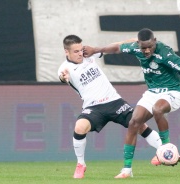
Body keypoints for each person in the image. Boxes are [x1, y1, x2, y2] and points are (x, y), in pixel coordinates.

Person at [83, 28, 180, 178]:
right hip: (152, 92)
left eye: (150, 46)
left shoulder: (165, 53)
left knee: (158, 109)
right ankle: (126, 170)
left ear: (155, 41)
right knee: (134, 122)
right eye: (143, 47)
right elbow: (117, 48)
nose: (147, 50)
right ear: (138, 44)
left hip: (173, 91)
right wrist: (95, 50)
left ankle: (165, 148)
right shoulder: (135, 47)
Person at [57, 35, 162, 179]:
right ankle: (80, 164)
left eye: (81, 49)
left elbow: (113, 46)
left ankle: (165, 151)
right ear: (66, 52)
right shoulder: (64, 68)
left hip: (114, 101)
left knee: (139, 125)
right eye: (76, 51)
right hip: (93, 107)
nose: (80, 53)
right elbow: (63, 77)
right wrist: (64, 78)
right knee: (80, 127)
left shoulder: (89, 54)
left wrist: (133, 41)